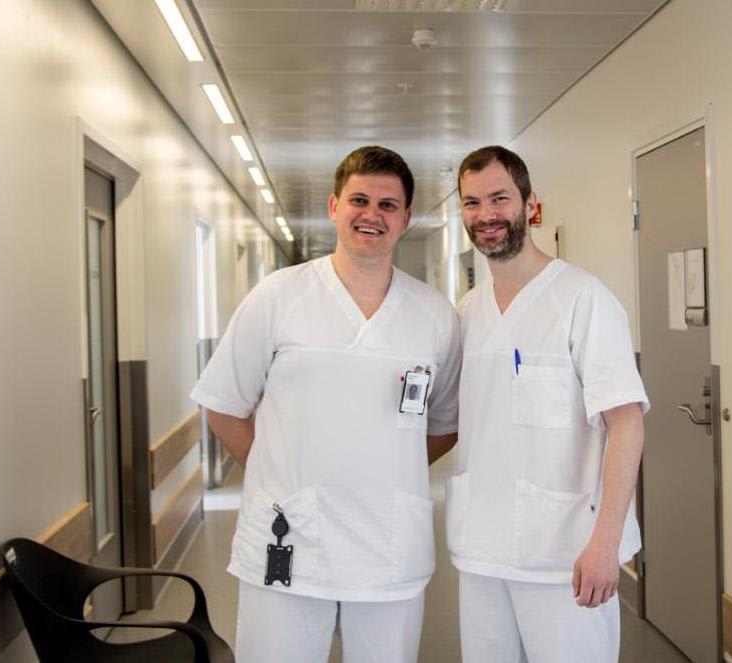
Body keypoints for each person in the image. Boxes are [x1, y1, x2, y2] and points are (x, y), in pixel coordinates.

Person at [191, 146, 460, 663]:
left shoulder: (435, 315)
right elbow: (223, 404)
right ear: (334, 206)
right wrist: (281, 470)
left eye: (388, 205)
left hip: (388, 546)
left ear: (406, 218)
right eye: (359, 200)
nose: (372, 215)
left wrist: (384, 467)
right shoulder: (278, 297)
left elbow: (445, 424)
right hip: (290, 535)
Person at [446, 145, 648, 662]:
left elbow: (626, 424)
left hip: (567, 556)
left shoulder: (583, 299)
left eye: (499, 198)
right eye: (472, 202)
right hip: (482, 552)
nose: (486, 215)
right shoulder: (467, 312)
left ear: (530, 205)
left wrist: (605, 544)